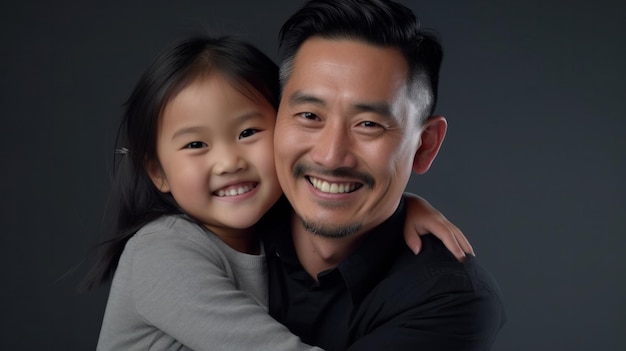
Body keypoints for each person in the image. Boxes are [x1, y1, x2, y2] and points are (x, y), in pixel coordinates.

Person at [85, 35, 474, 350]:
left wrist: (403, 205)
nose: (228, 162)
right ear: (157, 171)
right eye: (195, 145)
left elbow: (343, 192)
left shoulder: (271, 229)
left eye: (248, 133)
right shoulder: (162, 253)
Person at [265, 0, 506, 350]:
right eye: (309, 116)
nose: (331, 156)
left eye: (368, 124)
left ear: (425, 145)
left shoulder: (450, 301)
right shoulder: (212, 228)